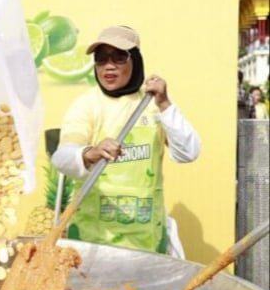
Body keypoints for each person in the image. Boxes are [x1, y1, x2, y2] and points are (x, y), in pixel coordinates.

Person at [51, 25, 201, 254]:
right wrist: (88, 153)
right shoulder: (87, 104)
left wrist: (165, 104)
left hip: (147, 241)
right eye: (101, 59)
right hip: (93, 244)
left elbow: (188, 152)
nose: (109, 66)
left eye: (119, 57)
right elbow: (62, 157)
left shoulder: (153, 103)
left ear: (136, 61)